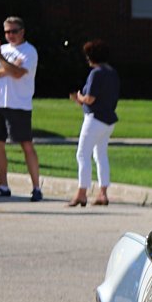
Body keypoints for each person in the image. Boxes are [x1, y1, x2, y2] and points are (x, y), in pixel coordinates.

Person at [0, 15, 42, 201]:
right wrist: (6, 66)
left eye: (14, 31)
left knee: (26, 144)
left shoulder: (29, 51)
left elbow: (18, 74)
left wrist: (0, 58)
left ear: (22, 31)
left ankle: (36, 187)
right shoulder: (2, 50)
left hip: (19, 104)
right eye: (7, 32)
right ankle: (3, 186)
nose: (10, 35)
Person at [66, 39, 120, 207]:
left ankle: (82, 193)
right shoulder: (112, 72)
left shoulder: (96, 73)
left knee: (82, 154)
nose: (87, 59)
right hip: (109, 120)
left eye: (88, 56)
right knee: (100, 155)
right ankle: (103, 193)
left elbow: (89, 98)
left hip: (94, 119)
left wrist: (79, 97)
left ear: (92, 57)